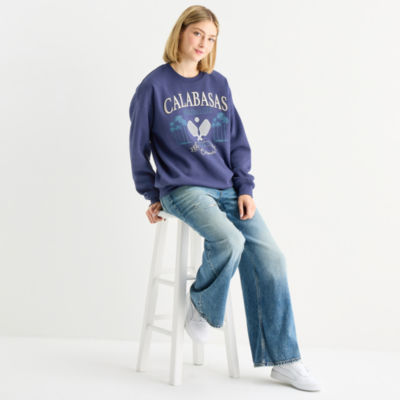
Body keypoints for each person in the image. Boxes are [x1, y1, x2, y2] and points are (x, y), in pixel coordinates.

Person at [129, 5, 321, 392]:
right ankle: (202, 305)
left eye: (212, 38)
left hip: (227, 187)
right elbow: (138, 146)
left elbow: (236, 140)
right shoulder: (153, 86)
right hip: (182, 189)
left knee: (272, 257)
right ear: (181, 32)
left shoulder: (218, 84)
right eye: (198, 33)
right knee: (229, 240)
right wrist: (151, 192)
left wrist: (244, 188)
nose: (204, 43)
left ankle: (284, 360)